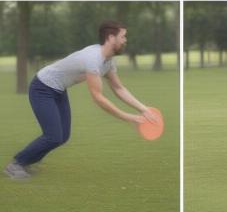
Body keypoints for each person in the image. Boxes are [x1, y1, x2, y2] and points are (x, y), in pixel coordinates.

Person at [4, 20, 157, 180]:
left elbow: (119, 88)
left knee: (63, 136)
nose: (125, 40)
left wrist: (143, 109)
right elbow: (98, 98)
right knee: (53, 135)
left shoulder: (108, 61)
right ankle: (16, 164)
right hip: (42, 87)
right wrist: (129, 117)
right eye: (123, 36)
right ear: (111, 37)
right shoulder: (93, 59)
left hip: (58, 89)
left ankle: (26, 162)